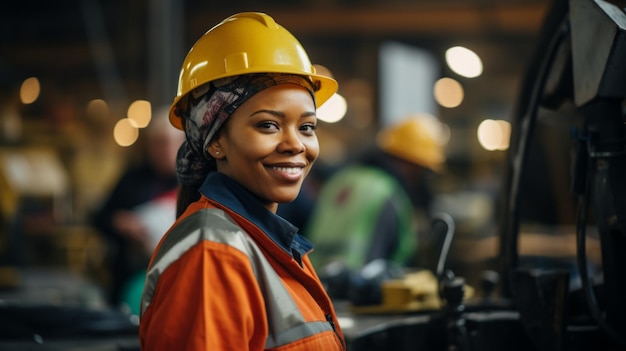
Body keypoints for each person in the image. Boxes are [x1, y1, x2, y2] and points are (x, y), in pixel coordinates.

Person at [139, 12, 346, 350]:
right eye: (268, 125)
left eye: (306, 127)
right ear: (215, 141)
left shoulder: (272, 242)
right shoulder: (212, 257)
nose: (296, 144)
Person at [305, 114, 447, 300]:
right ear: (412, 164)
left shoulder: (341, 180)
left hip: (313, 289)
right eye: (423, 171)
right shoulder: (387, 191)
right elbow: (384, 261)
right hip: (359, 298)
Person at [91, 107, 184, 309]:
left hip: (178, 278)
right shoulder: (132, 178)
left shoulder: (193, 182)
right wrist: (120, 223)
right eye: (158, 143)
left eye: (169, 143)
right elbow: (99, 217)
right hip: (131, 277)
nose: (164, 150)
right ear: (149, 146)